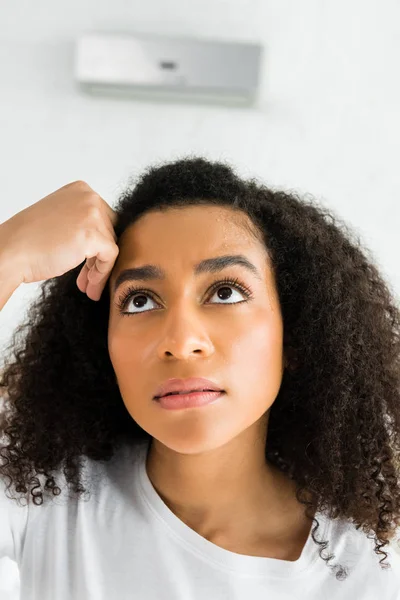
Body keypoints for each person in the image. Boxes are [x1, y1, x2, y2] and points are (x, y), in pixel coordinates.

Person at [0, 157, 399, 600]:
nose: (181, 340)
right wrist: (7, 253)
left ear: (296, 338)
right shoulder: (43, 493)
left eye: (224, 292)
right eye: (139, 301)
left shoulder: (368, 570)